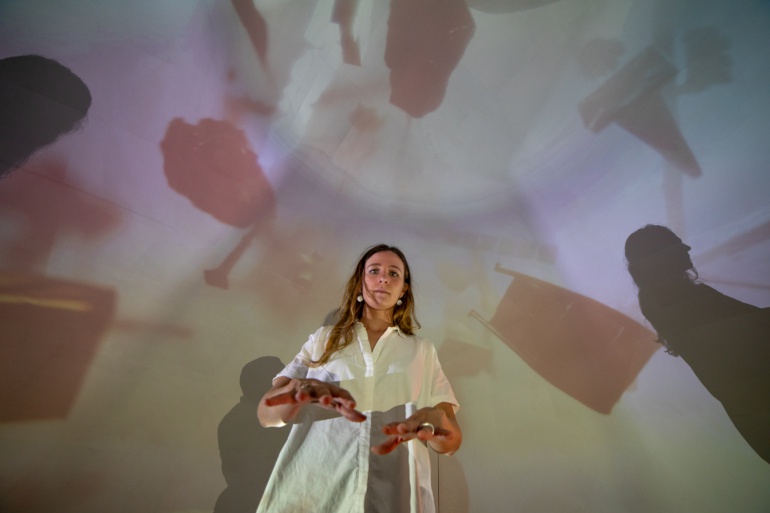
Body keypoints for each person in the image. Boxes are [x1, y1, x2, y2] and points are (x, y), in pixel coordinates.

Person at [256, 244, 462, 512]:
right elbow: (267, 415)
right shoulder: (323, 339)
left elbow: (451, 442)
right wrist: (295, 393)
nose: (383, 278)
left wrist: (437, 426)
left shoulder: (422, 350)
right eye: (374, 271)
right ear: (360, 282)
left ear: (403, 289)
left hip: (393, 494)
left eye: (393, 273)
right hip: (316, 491)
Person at [625, 225, 770, 464]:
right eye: (676, 245)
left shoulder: (660, 304)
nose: (687, 247)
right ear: (660, 257)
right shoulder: (683, 302)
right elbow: (754, 329)